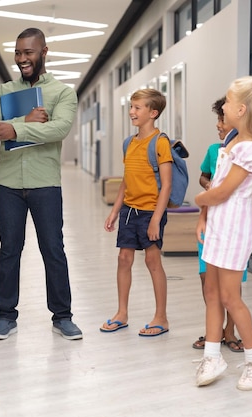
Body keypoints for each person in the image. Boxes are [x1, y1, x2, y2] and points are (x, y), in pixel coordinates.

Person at [0, 28, 81, 340]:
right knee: (9, 250)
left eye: (29, 52)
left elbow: (59, 129)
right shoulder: (4, 92)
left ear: (44, 52)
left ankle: (62, 316)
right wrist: (25, 123)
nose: (22, 59)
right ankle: (5, 317)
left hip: (45, 183)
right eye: (19, 53)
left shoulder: (63, 93)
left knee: (53, 249)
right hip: (8, 184)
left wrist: (12, 130)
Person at [194, 74, 252, 390]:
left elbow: (220, 192)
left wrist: (199, 200)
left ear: (241, 109)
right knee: (213, 294)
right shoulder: (230, 142)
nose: (225, 106)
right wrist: (204, 216)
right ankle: (213, 355)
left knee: (231, 297)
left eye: (228, 101)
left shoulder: (251, 151)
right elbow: (217, 184)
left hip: (234, 231)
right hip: (217, 227)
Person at [100, 88, 171, 337]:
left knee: (152, 261)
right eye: (131, 106)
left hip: (151, 211)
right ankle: (122, 313)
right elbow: (125, 181)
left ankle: (161, 317)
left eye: (137, 107)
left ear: (153, 113)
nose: (132, 111)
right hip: (129, 211)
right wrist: (114, 211)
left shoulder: (160, 143)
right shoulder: (129, 143)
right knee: (123, 260)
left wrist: (155, 220)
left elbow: (167, 185)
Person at [192, 98, 245, 352]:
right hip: (210, 222)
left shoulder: (246, 150)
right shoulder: (214, 150)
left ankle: (230, 332)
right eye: (218, 119)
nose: (218, 124)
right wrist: (207, 187)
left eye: (222, 119)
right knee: (207, 281)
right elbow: (204, 175)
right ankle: (213, 331)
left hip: (233, 227)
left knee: (232, 286)